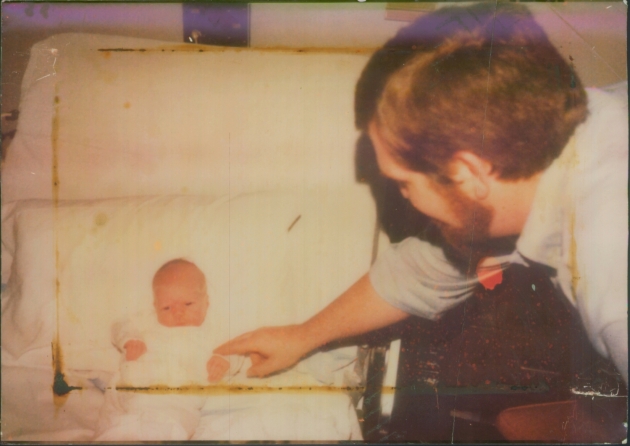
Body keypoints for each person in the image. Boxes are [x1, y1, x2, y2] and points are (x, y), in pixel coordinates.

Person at [215, 3, 628, 386]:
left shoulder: (613, 286)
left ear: (469, 172)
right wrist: (301, 336)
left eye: (404, 183)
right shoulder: (566, 136)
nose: (404, 199)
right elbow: (422, 270)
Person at [95, 259, 243, 441]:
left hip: (178, 402)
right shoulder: (147, 320)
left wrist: (223, 360)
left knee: (168, 428)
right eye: (166, 307)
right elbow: (119, 325)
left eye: (188, 304)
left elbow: (238, 348)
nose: (178, 313)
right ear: (156, 306)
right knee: (113, 427)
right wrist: (130, 339)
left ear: (206, 302)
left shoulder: (213, 331)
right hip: (130, 392)